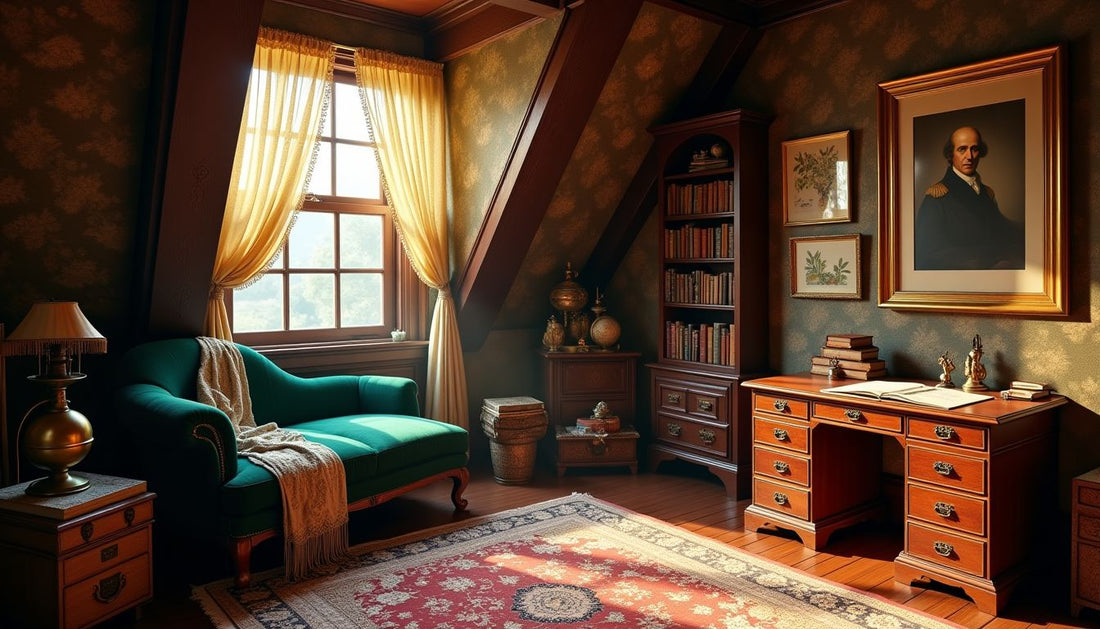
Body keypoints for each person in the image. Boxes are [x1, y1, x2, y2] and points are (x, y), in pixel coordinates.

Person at [914, 126, 1024, 270]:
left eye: (974, 149)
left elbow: (1002, 231)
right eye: (962, 149)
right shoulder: (937, 197)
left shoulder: (987, 193)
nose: (969, 156)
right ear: (950, 154)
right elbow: (928, 254)